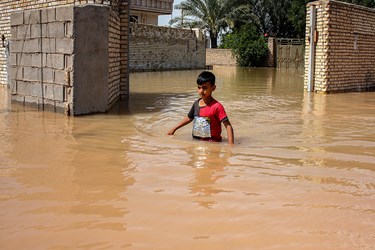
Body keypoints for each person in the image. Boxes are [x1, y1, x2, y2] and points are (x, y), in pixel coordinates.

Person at [167, 71, 234, 144]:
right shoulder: (196, 104)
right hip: (196, 142)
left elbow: (228, 126)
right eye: (199, 87)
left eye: (204, 88)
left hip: (212, 143)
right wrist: (174, 129)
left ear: (213, 88)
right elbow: (189, 118)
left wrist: (231, 146)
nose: (201, 91)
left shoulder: (217, 107)